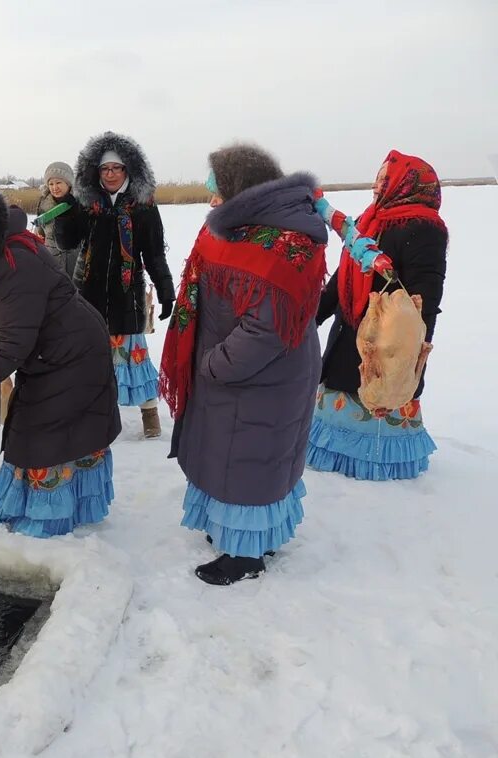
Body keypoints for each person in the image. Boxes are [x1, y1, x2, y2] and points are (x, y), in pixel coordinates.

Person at [159, 144, 327, 585]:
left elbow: (265, 328)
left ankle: (245, 556)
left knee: (246, 461)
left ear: (242, 190)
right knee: (238, 458)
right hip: (251, 372)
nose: (212, 200)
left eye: (218, 190)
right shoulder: (245, 229)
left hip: (256, 375)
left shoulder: (282, 242)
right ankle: (248, 537)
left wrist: (215, 364)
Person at [0, 189, 121, 537]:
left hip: (70, 354)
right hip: (56, 348)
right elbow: (8, 323)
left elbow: (14, 344)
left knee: (41, 434)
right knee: (38, 429)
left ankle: (48, 519)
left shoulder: (12, 263)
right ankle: (53, 507)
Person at [308, 151, 448, 480]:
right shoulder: (372, 220)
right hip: (350, 337)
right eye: (379, 176)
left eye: (385, 178)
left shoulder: (424, 229)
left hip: (387, 344)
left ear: (406, 184)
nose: (376, 184)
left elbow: (424, 301)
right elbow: (343, 275)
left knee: (379, 397)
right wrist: (312, 316)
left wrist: (412, 356)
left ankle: (375, 470)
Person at [54, 131, 176, 439]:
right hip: (88, 293)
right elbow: (66, 242)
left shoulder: (143, 206)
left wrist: (165, 291)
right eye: (105, 169)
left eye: (116, 168)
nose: (110, 174)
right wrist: (66, 210)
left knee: (133, 357)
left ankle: (149, 412)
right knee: (89, 358)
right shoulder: (86, 203)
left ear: (128, 170)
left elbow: (154, 253)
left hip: (127, 294)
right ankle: (92, 414)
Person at [34, 161, 78, 278]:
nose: (54, 187)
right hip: (51, 264)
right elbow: (40, 234)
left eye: (58, 182)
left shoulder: (81, 202)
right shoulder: (43, 204)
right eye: (51, 184)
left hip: (76, 265)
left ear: (68, 184)